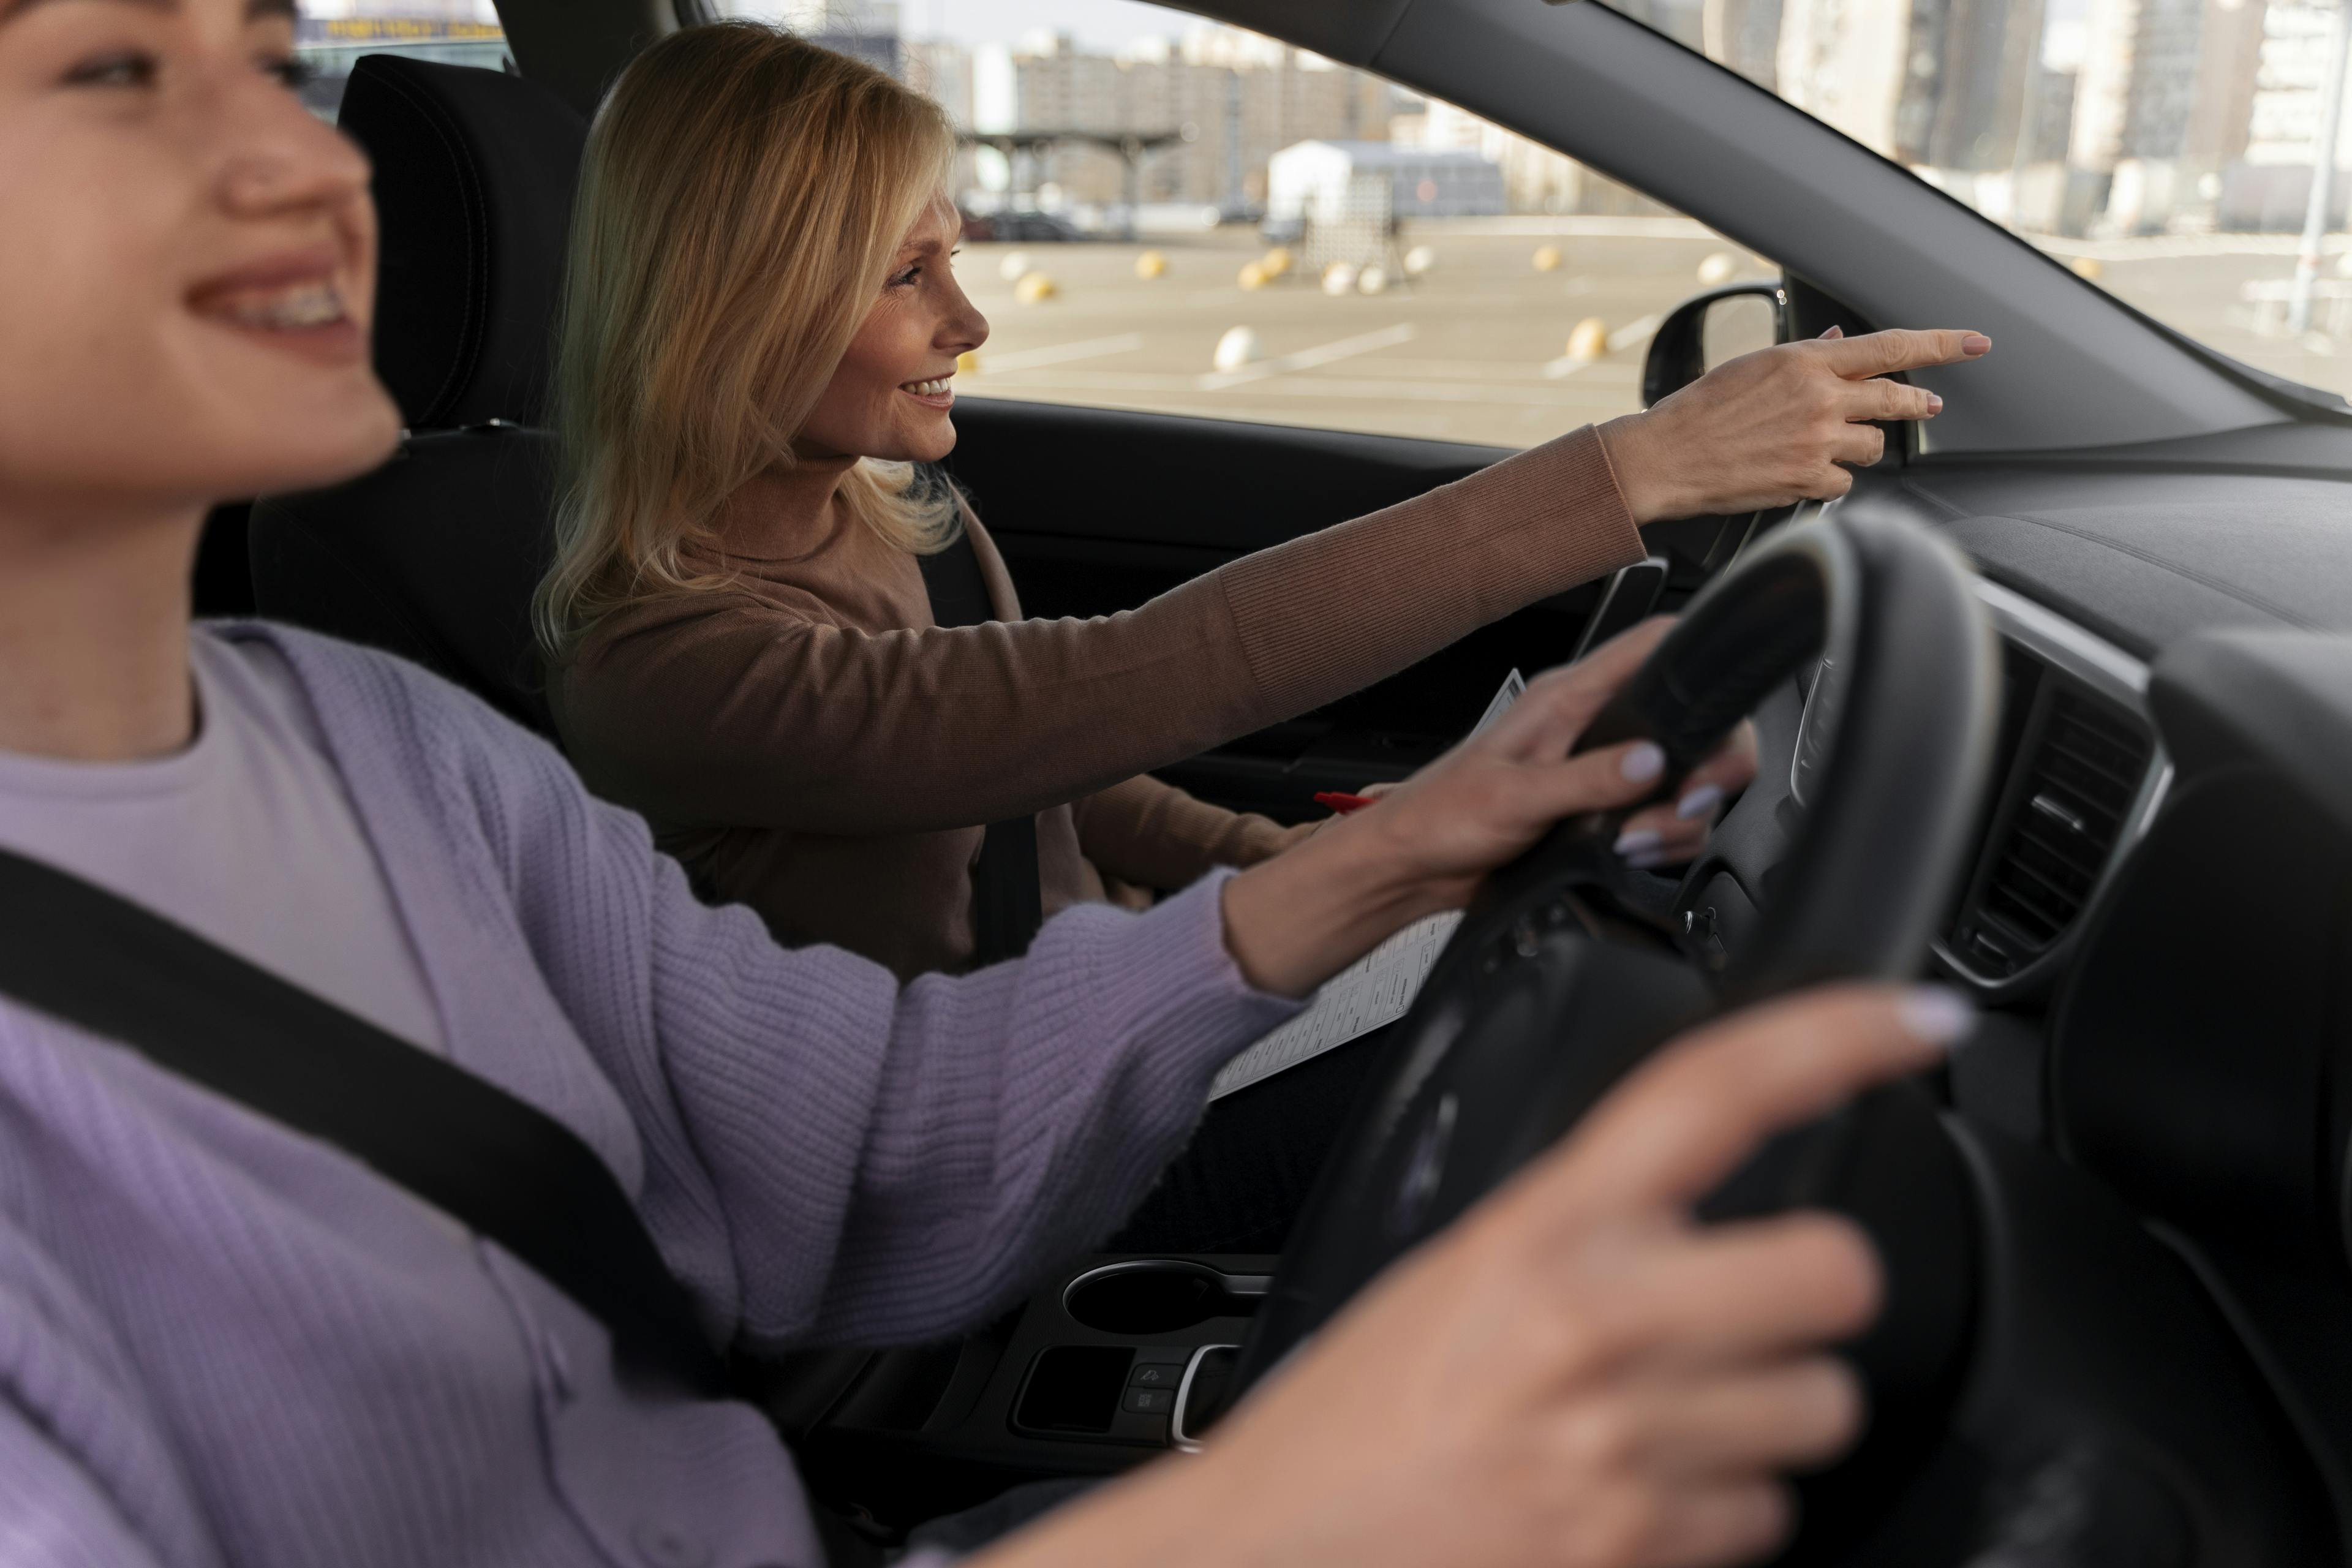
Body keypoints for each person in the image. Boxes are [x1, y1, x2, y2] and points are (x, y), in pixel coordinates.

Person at [0, 2, 1977, 1564]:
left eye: (271, 57)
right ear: (740, 305)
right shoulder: (661, 658)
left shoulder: (380, 745)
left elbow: (862, 1119)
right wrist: (1265, 1529)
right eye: (110, 70)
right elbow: (1095, 696)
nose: (306, 152)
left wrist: (1368, 866)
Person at [540, 23, 1989, 984]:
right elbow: (1135, 682)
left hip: (1099, 1003)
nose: (971, 322)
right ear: (736, 308)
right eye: (904, 275)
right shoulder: (668, 670)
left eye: (955, 259)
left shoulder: (891, 511)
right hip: (986, 1130)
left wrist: (1304, 866)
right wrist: (1643, 468)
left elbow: (1066, 780)